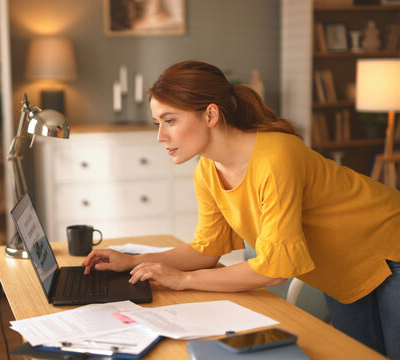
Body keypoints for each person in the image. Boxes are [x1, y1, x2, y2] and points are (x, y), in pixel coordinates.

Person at [83, 60, 400, 358]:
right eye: (158, 122)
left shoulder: (275, 158)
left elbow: (275, 270)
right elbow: (207, 251)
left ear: (210, 115)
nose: (160, 136)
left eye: (170, 121)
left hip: (390, 246)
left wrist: (183, 280)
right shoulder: (207, 171)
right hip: (344, 271)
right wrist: (134, 261)